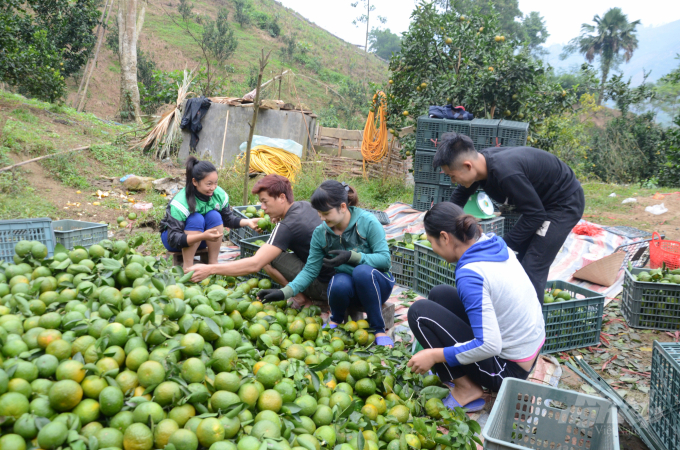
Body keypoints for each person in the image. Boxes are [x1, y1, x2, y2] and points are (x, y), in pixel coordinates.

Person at [407, 202, 545, 411]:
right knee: (439, 295)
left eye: (431, 242)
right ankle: (461, 379)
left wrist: (434, 355)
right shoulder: (493, 243)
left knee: (419, 314)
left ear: (445, 237)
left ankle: (466, 389)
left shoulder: (471, 274)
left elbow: (490, 345)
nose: (433, 249)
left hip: (509, 371)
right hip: (528, 352)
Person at [433, 133, 585, 304]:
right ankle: (511, 307)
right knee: (516, 259)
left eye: (452, 176)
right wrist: (440, 225)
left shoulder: (506, 173)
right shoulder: (480, 165)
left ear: (468, 166)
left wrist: (503, 244)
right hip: (538, 205)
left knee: (533, 265)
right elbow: (458, 198)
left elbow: (536, 215)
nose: (453, 181)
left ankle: (532, 326)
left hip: (563, 204)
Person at [256, 180, 396, 346]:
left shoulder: (368, 222)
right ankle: (335, 321)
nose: (321, 218)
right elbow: (310, 270)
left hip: (377, 284)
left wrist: (353, 257)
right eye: (319, 213)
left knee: (362, 272)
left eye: (326, 213)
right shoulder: (321, 233)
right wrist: (285, 292)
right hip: (352, 291)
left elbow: (385, 261)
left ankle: (378, 329)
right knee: (338, 281)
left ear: (342, 207)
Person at [185, 174, 334, 309]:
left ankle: (300, 299)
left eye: (265, 202)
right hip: (336, 280)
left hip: (322, 286)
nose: (262, 208)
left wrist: (210, 269)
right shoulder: (304, 205)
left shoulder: (286, 226)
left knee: (265, 259)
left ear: (282, 198)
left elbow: (255, 264)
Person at [159, 156, 259, 269]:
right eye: (209, 184)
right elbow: (174, 239)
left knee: (214, 215)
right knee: (196, 218)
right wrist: (202, 235)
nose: (213, 188)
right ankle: (188, 268)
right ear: (195, 182)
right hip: (175, 242)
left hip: (204, 239)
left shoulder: (219, 195)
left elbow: (228, 219)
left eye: (215, 183)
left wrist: (248, 222)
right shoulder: (181, 203)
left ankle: (213, 263)